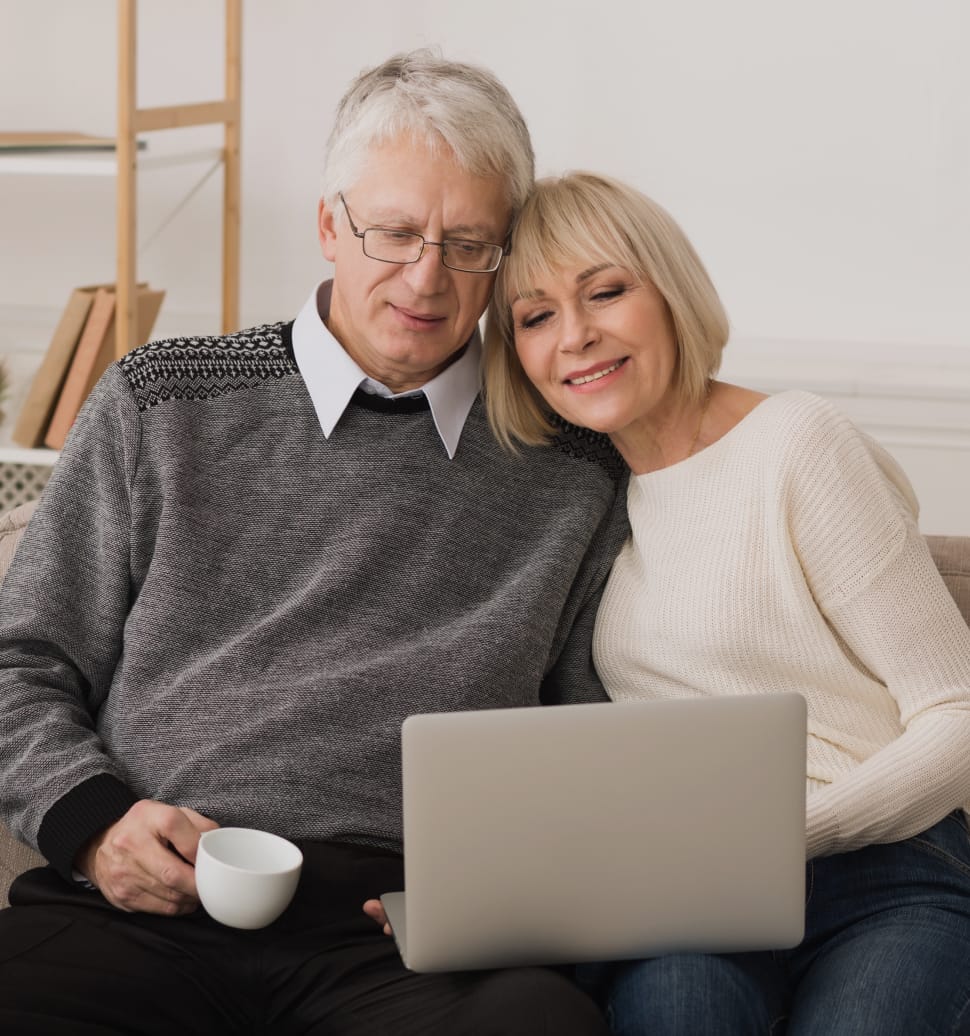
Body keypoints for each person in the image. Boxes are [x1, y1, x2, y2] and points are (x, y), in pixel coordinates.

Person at [0, 55, 629, 1034]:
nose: (426, 278)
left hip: (406, 949)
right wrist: (95, 830)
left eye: (468, 244)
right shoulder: (159, 400)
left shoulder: (575, 464)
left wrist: (496, 896)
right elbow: (21, 660)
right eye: (395, 233)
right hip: (145, 911)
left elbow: (590, 742)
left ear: (503, 256)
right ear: (330, 224)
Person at [481, 171, 970, 1035]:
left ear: (668, 291)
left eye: (605, 292)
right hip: (691, 896)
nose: (577, 336)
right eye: (536, 316)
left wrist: (785, 833)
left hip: (885, 868)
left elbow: (956, 710)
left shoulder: (795, 445)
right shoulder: (578, 500)